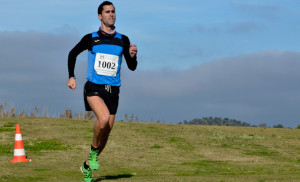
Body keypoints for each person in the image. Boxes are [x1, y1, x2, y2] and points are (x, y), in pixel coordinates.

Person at [67, 1, 138, 181]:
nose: (111, 14)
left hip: (113, 91)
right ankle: (92, 153)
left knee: (106, 134)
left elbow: (132, 67)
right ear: (100, 16)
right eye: (107, 12)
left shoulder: (123, 39)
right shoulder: (91, 37)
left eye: (113, 11)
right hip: (94, 88)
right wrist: (72, 76)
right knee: (103, 119)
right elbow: (72, 53)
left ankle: (87, 166)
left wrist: (132, 56)